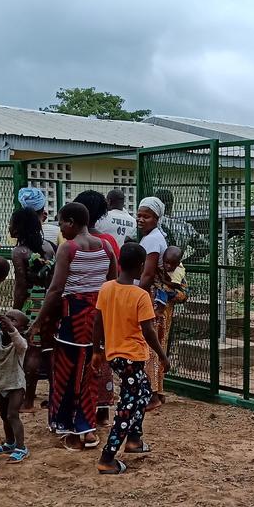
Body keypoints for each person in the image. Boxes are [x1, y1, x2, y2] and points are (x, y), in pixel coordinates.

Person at [36, 202, 115, 450]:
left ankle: (73, 430)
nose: (60, 228)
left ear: (71, 222)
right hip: (97, 318)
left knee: (68, 372)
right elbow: (112, 283)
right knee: (90, 371)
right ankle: (88, 428)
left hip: (73, 317)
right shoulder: (106, 247)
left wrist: (38, 321)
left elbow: (56, 289)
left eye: (61, 223)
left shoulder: (67, 249)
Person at [92, 244, 169, 475]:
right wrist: (163, 356)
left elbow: (98, 321)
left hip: (115, 355)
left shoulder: (106, 288)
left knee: (143, 392)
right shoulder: (140, 295)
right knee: (128, 405)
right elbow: (148, 331)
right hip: (131, 357)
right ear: (139, 265)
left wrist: (97, 350)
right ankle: (108, 457)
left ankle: (134, 439)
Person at [75, 190, 121, 421]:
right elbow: (116, 275)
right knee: (102, 353)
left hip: (78, 308)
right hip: (105, 306)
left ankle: (83, 407)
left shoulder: (70, 242)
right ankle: (102, 406)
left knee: (80, 356)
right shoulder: (108, 241)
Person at [9, 206, 56, 414]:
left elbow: (20, 286)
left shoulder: (19, 252)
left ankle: (28, 400)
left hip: (31, 302)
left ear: (18, 228)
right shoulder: (48, 247)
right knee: (51, 349)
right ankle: (55, 395)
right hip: (50, 301)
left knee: (33, 350)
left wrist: (14, 311)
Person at [136, 197, 171, 411]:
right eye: (139, 215)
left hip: (151, 299)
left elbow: (147, 275)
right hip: (157, 298)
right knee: (157, 343)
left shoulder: (151, 241)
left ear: (156, 218)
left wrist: (133, 298)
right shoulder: (156, 237)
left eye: (146, 216)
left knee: (148, 345)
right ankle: (157, 391)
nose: (140, 219)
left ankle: (151, 395)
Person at [0, 309, 29, 463]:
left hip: (16, 386)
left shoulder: (19, 343)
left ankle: (21, 447)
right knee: (4, 416)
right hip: (1, 384)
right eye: (7, 318)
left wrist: (11, 328)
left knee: (13, 415)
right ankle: (10, 443)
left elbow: (22, 345)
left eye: (14, 320)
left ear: (22, 328)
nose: (8, 321)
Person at [154, 189, 208, 261]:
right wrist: (185, 263)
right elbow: (206, 247)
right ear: (171, 204)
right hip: (174, 267)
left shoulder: (151, 223)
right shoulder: (185, 227)